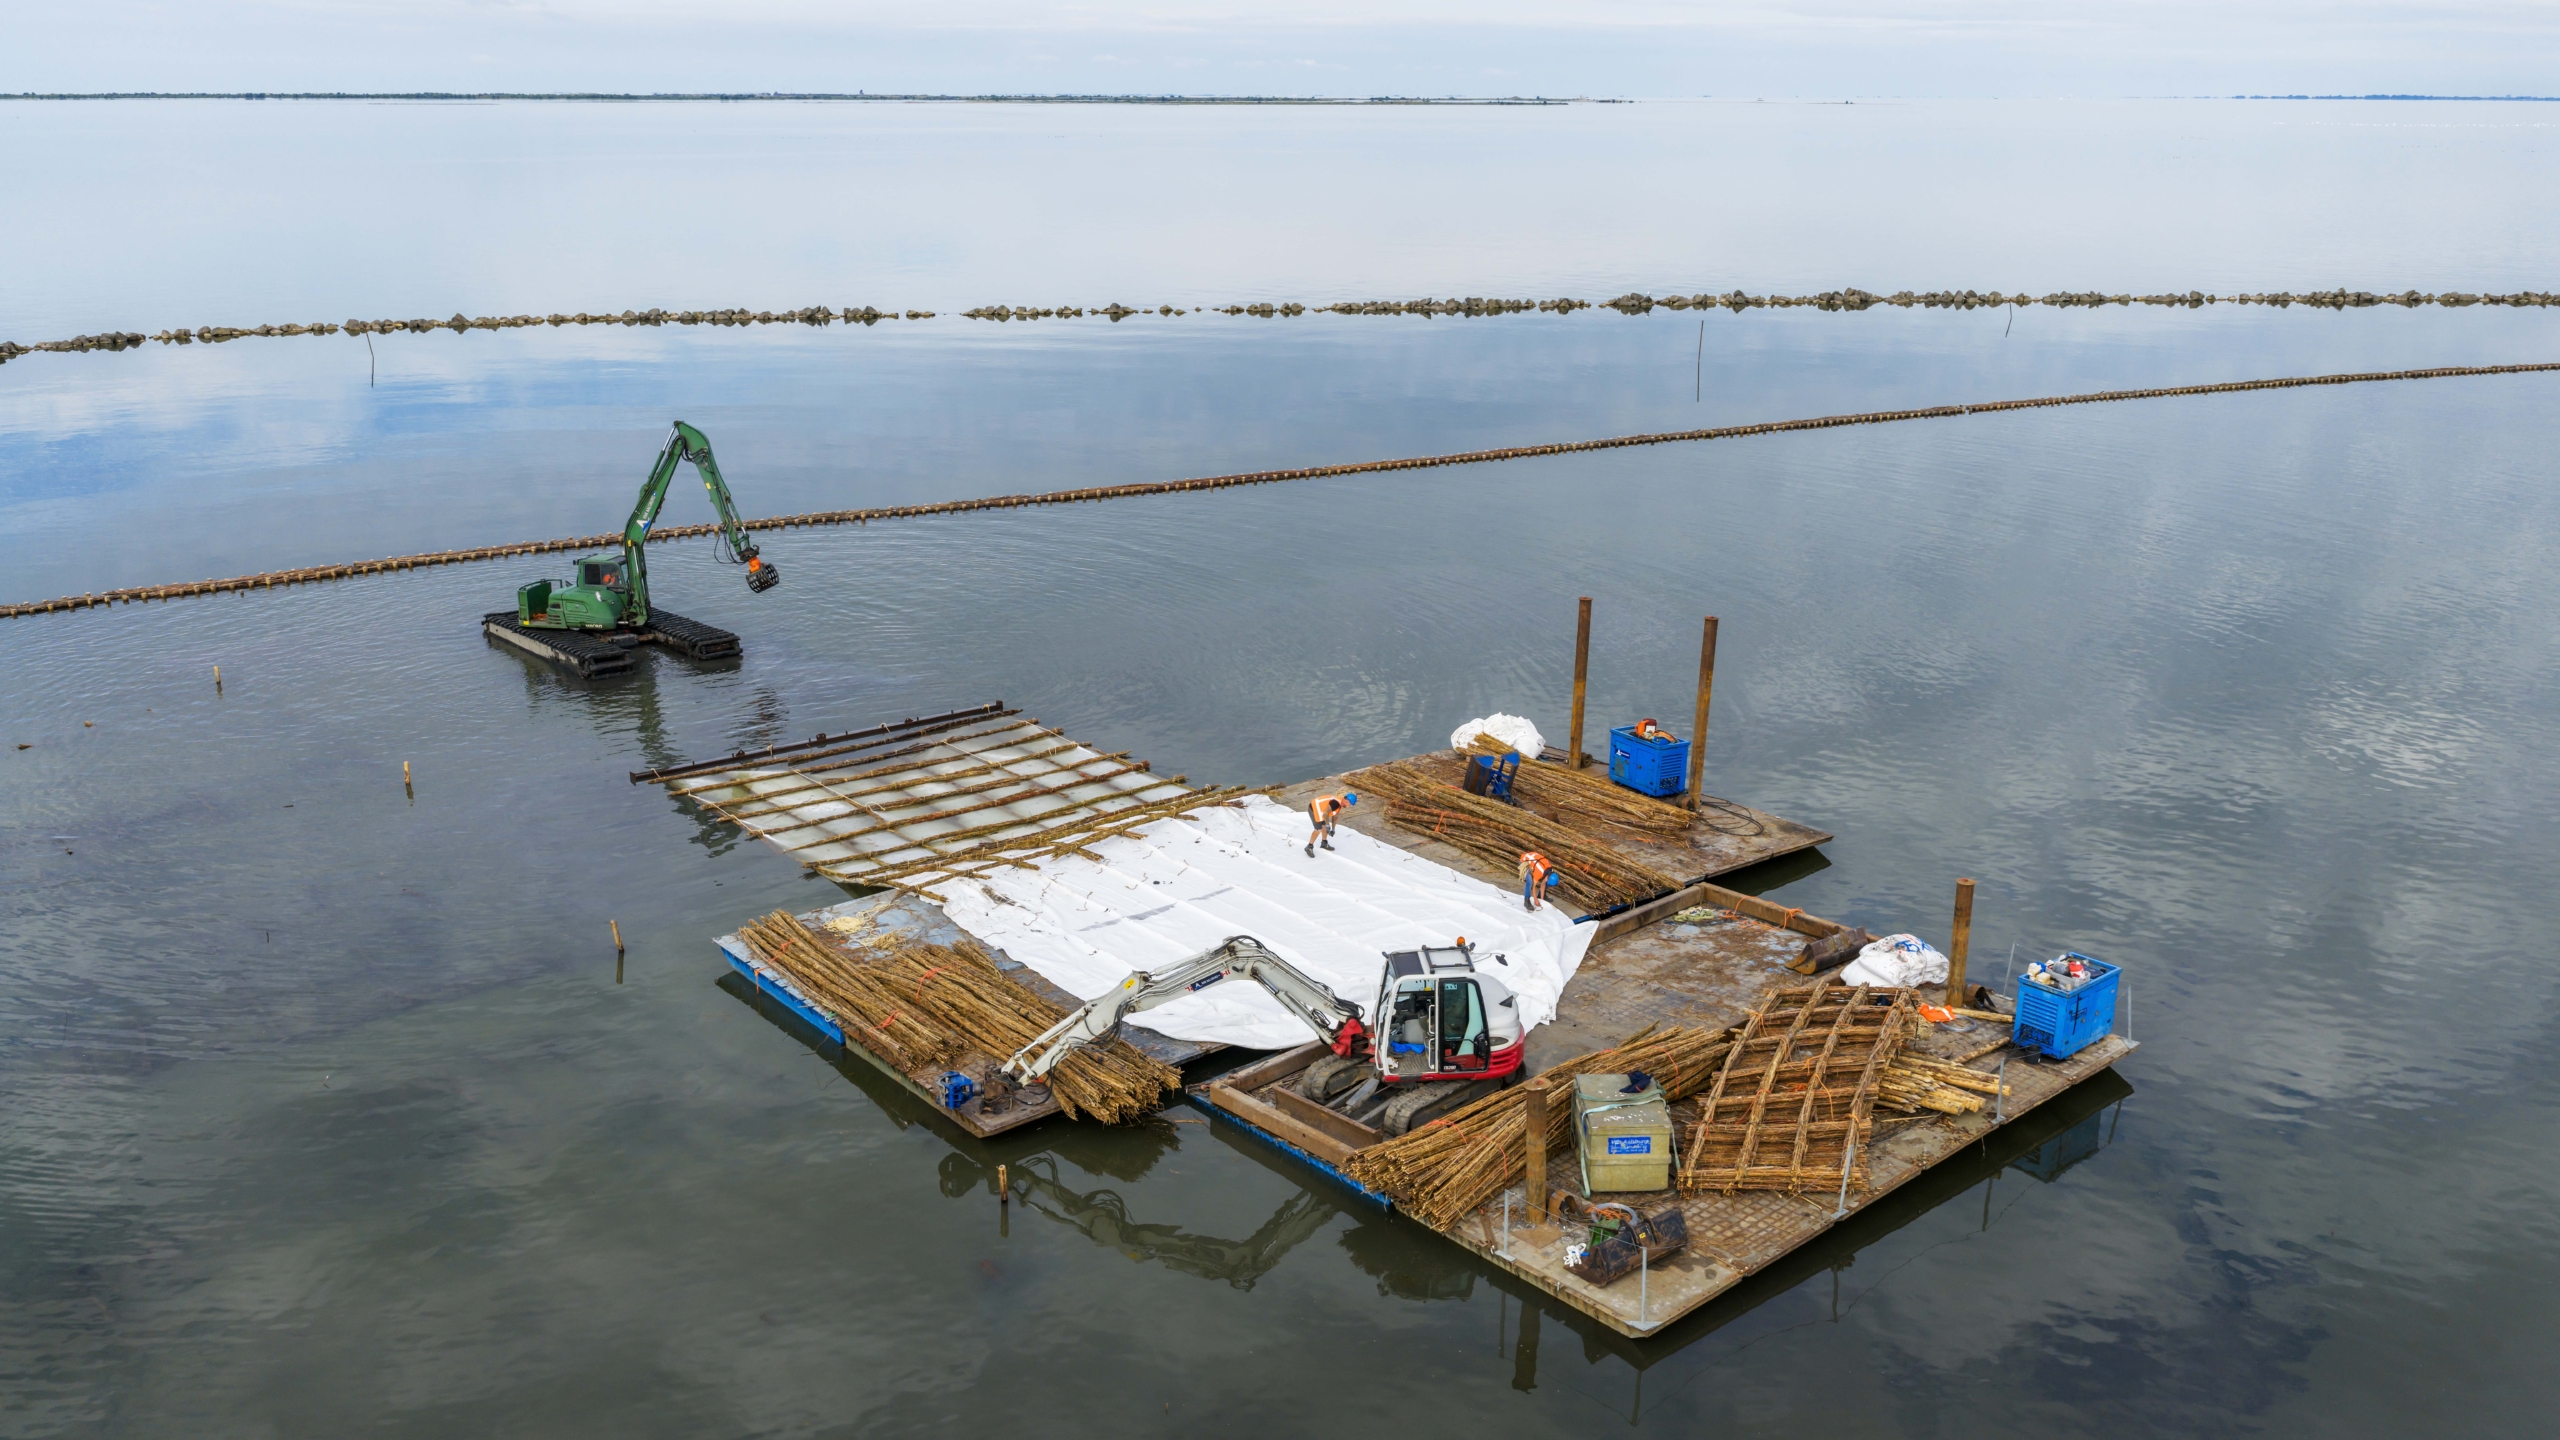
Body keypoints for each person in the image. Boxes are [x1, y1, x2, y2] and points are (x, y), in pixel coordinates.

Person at [1305, 791, 1357, 856]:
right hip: (1314, 808)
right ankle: (1309, 847)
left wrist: (1333, 829)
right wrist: (1327, 825)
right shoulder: (1336, 803)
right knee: (1318, 829)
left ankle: (1324, 843)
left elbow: (1335, 817)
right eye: (1350, 805)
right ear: (1347, 802)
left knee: (1325, 827)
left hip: (1322, 810)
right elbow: (1325, 813)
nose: (1349, 807)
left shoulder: (1340, 803)